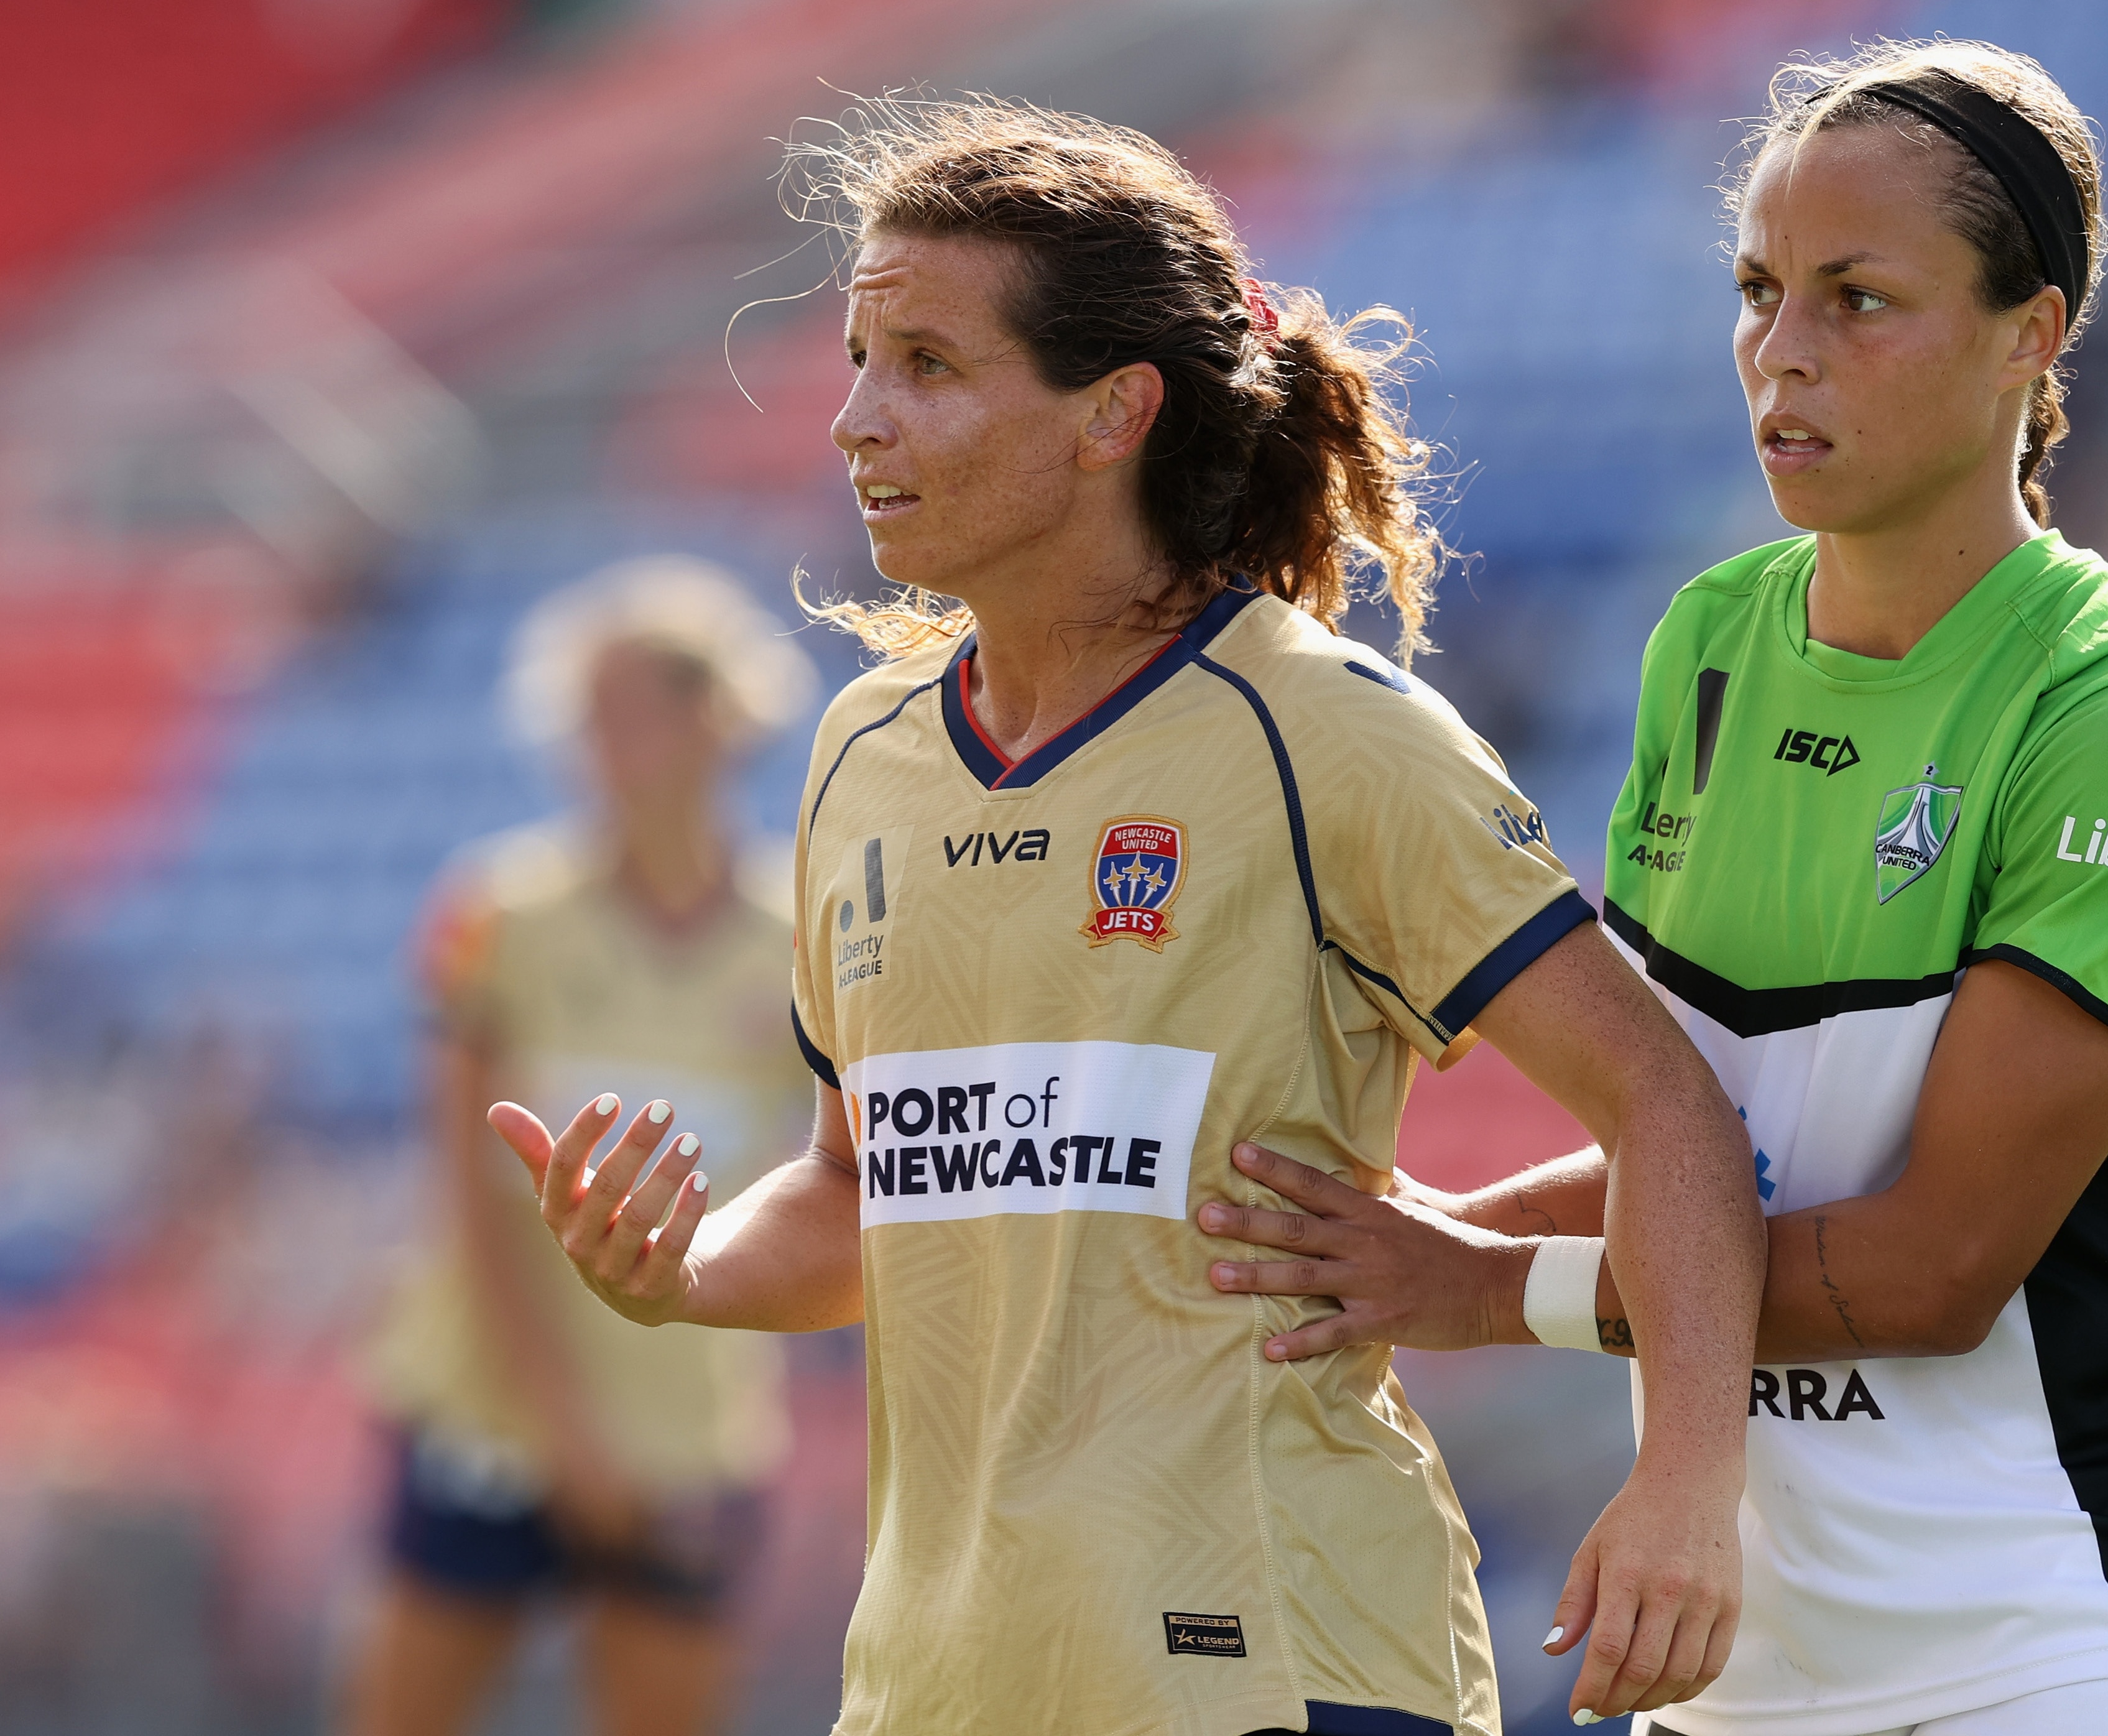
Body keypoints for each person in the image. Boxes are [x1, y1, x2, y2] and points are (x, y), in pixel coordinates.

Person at [488, 101, 1767, 1735]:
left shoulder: (1326, 739)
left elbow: (1668, 1107)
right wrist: (680, 1273)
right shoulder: (860, 760)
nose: (854, 423)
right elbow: (851, 1191)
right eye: (857, 359)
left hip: (1283, 1661)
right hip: (939, 1687)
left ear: (1114, 414)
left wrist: (1682, 1484)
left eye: (927, 368)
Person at [1197, 40, 2108, 1735]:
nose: (1782, 352)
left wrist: (1479, 1286)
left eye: (1858, 299)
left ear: (2030, 334)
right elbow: (1713, 1138)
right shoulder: (1710, 643)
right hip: (1750, 1670)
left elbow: (1936, 1266)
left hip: (2086, 1635)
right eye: (1757, 290)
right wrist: (1404, 1243)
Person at [346, 558, 821, 1736]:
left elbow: (819, 1188)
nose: (595, 739)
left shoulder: (800, 942)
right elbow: (467, 1203)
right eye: (582, 713)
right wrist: (566, 1434)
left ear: (717, 716)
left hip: (686, 1431)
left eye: (629, 707)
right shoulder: (498, 914)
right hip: (488, 1410)